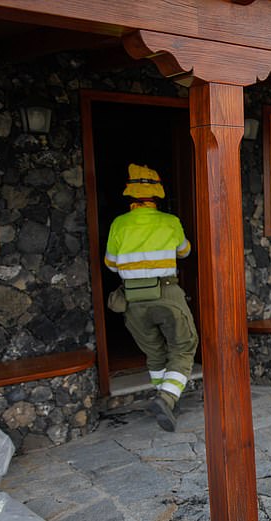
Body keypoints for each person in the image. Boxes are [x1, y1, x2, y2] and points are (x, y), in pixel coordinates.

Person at [104, 164, 199, 432]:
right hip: (167, 292)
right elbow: (185, 252)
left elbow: (111, 264)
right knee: (183, 346)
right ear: (157, 194)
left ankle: (165, 399)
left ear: (130, 194)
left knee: (154, 351)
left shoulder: (118, 224)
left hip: (133, 298)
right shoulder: (170, 221)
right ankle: (167, 397)